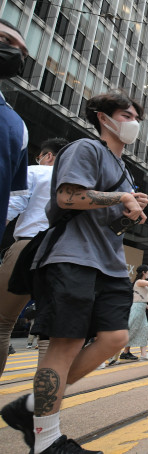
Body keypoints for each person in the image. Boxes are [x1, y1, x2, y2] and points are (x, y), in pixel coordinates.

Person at [1, 89, 148, 454]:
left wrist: (130, 213)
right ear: (104, 117)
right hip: (72, 258)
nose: (134, 123)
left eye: (135, 117)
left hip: (111, 264)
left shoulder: (125, 171)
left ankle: (31, 407)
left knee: (114, 339)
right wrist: (119, 198)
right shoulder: (87, 149)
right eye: (128, 115)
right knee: (63, 344)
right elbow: (67, 198)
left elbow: (111, 225)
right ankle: (47, 441)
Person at [1, 138, 68, 375]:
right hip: (63, 255)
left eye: (39, 155)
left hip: (27, 247)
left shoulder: (35, 172)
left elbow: (10, 207)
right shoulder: (77, 183)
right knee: (50, 334)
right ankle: (44, 409)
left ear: (48, 156)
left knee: (2, 323)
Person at [0, 19, 29, 242]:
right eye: (4, 40)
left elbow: (10, 197)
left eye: (23, 52)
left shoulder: (16, 126)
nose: (15, 53)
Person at [121, 265, 148, 361]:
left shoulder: (142, 283)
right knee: (131, 329)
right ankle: (115, 352)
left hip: (141, 308)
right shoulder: (139, 282)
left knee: (143, 330)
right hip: (137, 309)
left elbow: (140, 298)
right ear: (144, 272)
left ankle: (143, 354)